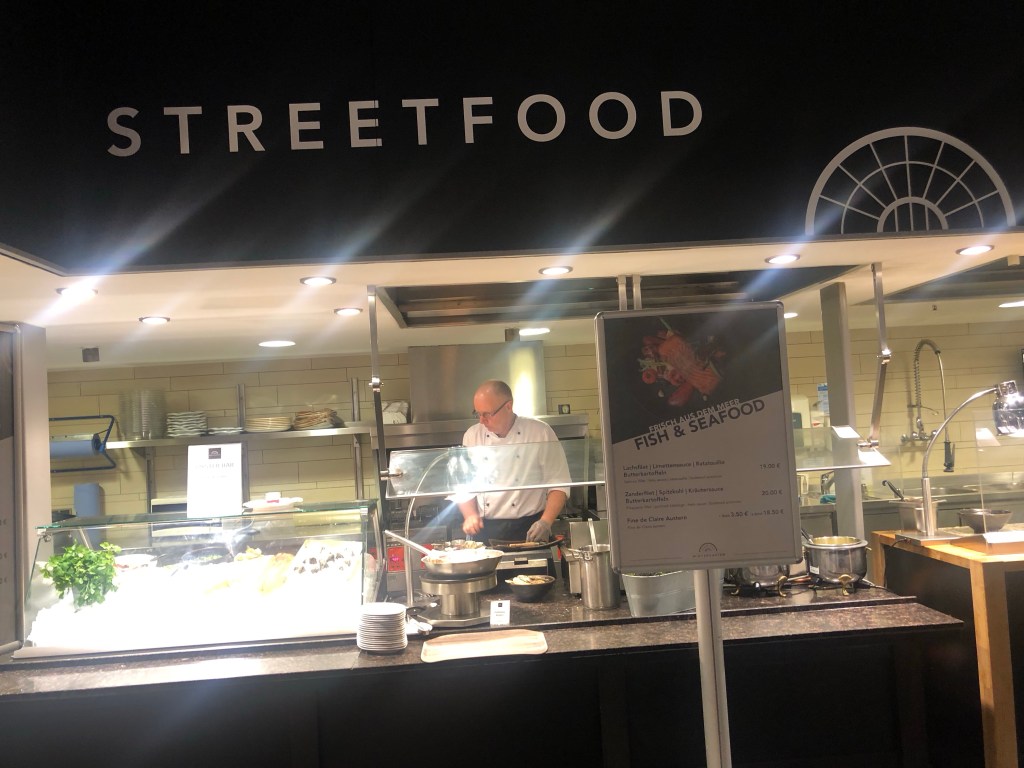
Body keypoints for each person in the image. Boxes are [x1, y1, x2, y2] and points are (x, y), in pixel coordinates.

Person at [458, 379, 571, 543]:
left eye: (487, 414)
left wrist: (545, 522)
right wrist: (470, 515)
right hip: (485, 530)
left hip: (529, 530)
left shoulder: (540, 433)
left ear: (508, 406)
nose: (481, 421)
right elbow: (464, 484)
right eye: (478, 413)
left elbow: (559, 484)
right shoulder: (472, 435)